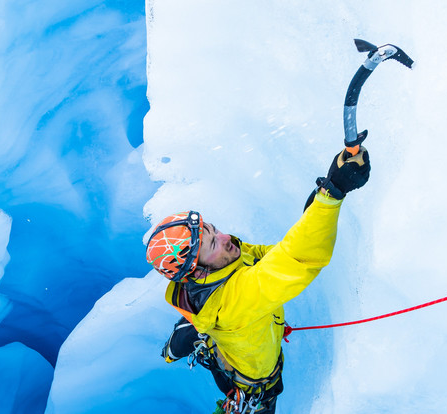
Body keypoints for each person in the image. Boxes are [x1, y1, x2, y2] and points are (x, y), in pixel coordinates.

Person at [145, 146, 371, 413]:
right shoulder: (235, 301)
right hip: (253, 386)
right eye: (213, 244)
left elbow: (272, 256)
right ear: (197, 272)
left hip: (231, 341)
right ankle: (197, 333)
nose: (226, 238)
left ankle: (192, 334)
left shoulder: (224, 262)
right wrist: (333, 195)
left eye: (214, 231)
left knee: (206, 330)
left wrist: (319, 202)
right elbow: (294, 261)